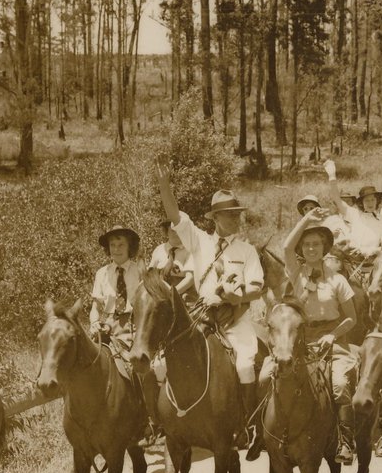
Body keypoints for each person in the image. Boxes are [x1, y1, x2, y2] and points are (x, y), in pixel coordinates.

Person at [158, 168, 265, 450]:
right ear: (215, 218)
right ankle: (169, 421)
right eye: (230, 214)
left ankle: (248, 424)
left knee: (244, 365)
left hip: (235, 319)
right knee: (166, 357)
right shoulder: (199, 241)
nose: (236, 219)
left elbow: (257, 288)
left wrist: (233, 298)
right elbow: (175, 216)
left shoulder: (247, 251)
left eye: (237, 214)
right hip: (202, 316)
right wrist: (164, 183)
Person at [257, 209, 359, 464]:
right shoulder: (296, 272)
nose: (312, 248)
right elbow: (286, 245)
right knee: (264, 377)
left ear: (325, 248)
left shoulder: (338, 281)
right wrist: (307, 220)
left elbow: (351, 319)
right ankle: (261, 433)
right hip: (297, 340)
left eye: (317, 244)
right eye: (307, 244)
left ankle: (346, 441)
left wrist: (332, 336)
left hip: (331, 341)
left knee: (339, 386)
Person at [90, 225, 144, 352]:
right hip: (107, 325)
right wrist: (94, 323)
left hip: (133, 324)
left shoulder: (139, 272)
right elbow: (95, 307)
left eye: (121, 245)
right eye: (112, 245)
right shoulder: (102, 273)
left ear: (129, 246)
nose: (116, 249)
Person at [149, 220, 196, 300]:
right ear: (166, 231)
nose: (178, 233)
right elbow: (149, 274)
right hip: (159, 296)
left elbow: (190, 278)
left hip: (182, 295)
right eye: (173, 230)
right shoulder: (159, 250)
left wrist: (172, 294)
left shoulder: (189, 251)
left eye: (181, 230)